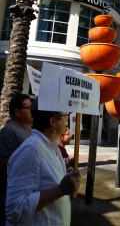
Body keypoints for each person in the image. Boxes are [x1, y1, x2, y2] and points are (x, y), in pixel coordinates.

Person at [5, 98, 80, 226]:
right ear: (53, 121)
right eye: (65, 117)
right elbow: (15, 210)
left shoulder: (52, 146)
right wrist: (60, 190)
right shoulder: (32, 150)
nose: (66, 121)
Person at [0, 93, 32, 226]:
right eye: (29, 108)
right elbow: (2, 164)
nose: (32, 110)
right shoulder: (9, 132)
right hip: (11, 194)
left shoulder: (29, 128)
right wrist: (25, 155)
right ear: (18, 112)